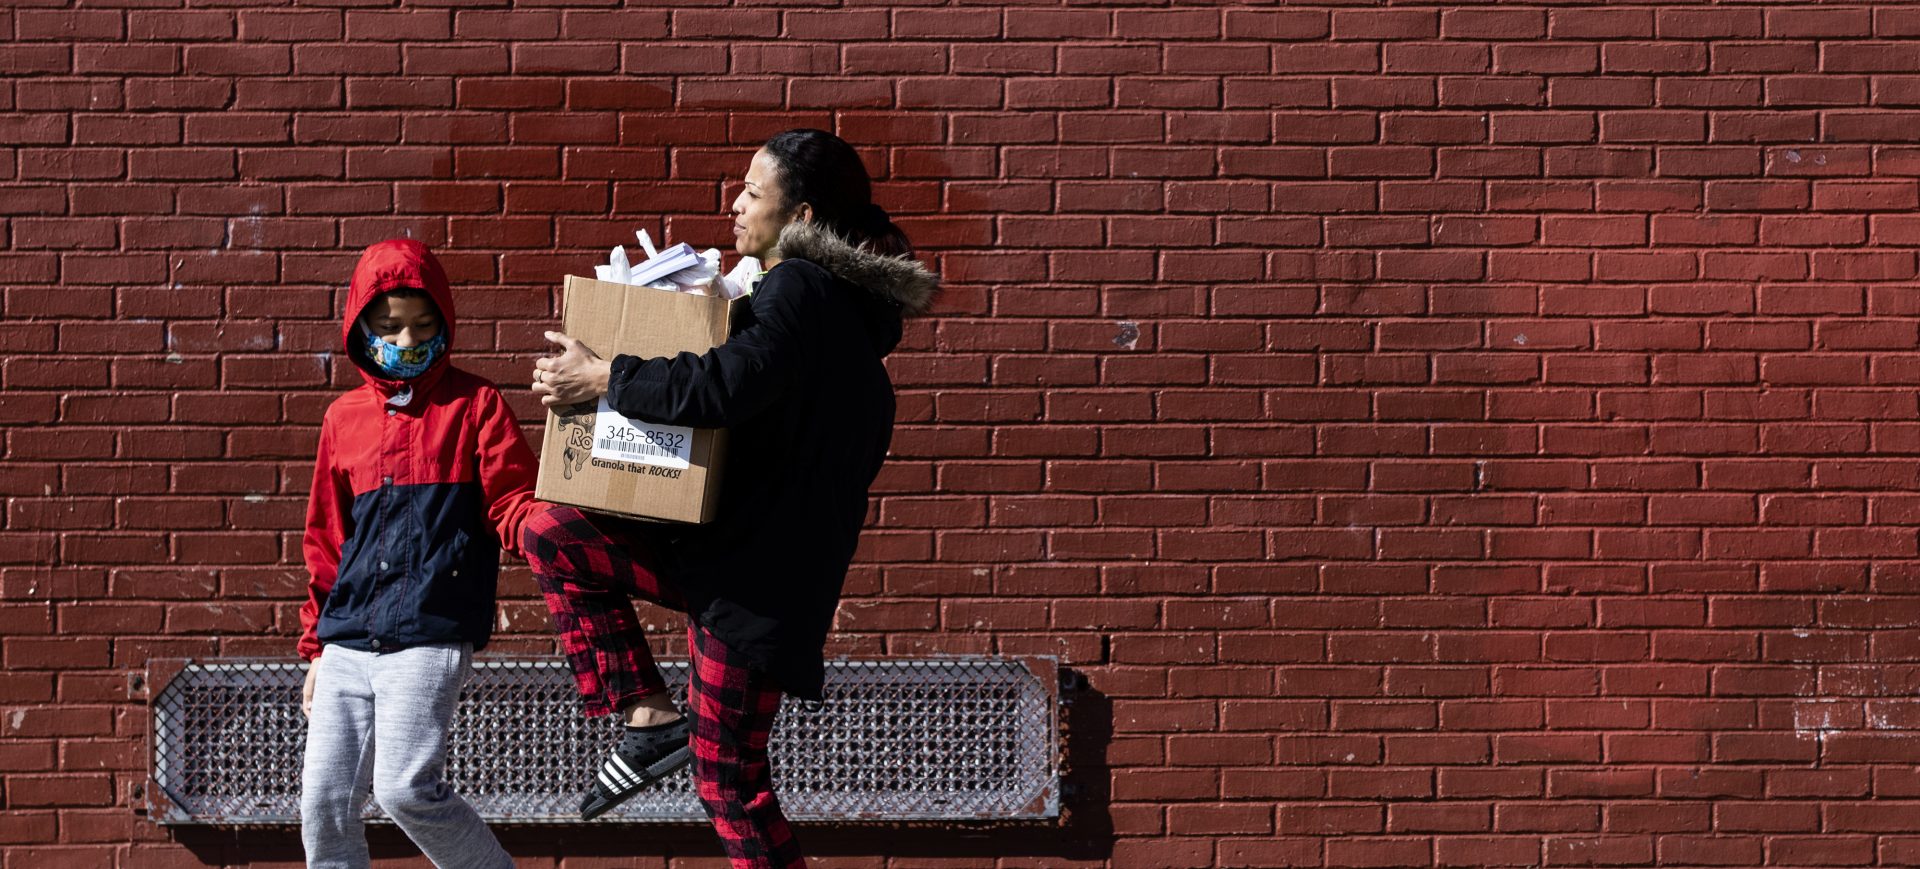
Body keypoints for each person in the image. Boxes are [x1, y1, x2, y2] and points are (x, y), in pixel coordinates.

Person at [524, 128, 939, 866]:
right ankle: (651, 719)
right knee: (551, 529)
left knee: (730, 784)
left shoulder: (802, 288)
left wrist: (606, 378)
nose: (736, 204)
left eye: (753, 191)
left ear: (803, 217)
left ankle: (654, 724)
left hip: (755, 588)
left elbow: (725, 386)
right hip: (724, 561)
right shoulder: (831, 314)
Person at [297, 238, 542, 869]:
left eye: (423, 325)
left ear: (445, 322)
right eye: (389, 327)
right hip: (348, 639)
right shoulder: (341, 418)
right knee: (323, 801)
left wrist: (555, 539)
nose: (407, 340)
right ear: (360, 328)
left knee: (405, 789)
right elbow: (327, 537)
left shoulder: (476, 404)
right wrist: (316, 646)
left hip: (430, 632)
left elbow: (513, 499)